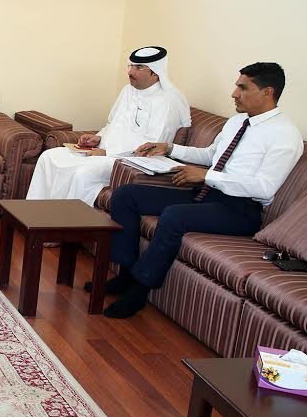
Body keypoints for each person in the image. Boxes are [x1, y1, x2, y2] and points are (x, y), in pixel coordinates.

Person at [103, 63, 303, 318]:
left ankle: (138, 292)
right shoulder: (237, 122)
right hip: (207, 194)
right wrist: (169, 148)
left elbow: (264, 187)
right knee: (126, 195)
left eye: (243, 88)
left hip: (241, 209)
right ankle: (126, 274)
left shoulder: (285, 135)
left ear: (267, 92)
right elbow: (211, 155)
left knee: (174, 216)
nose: (234, 94)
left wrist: (208, 176)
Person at [26, 46, 191, 205]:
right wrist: (98, 137)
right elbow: (113, 123)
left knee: (82, 173)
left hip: (130, 161)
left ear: (155, 72)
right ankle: (36, 215)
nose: (130, 72)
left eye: (138, 68)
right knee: (49, 157)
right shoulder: (128, 90)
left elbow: (152, 145)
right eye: (131, 66)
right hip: (103, 152)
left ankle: (66, 222)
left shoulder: (169, 100)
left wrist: (107, 152)